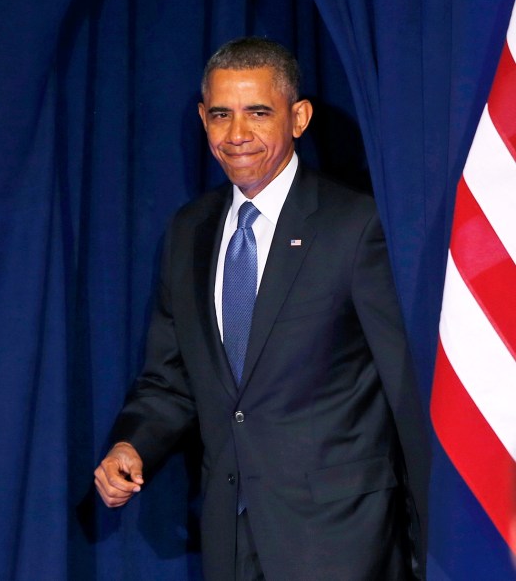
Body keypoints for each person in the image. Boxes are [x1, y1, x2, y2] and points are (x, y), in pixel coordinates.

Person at [93, 37, 429, 580]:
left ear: (298, 118)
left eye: (258, 113)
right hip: (230, 536)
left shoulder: (355, 227)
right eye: (221, 114)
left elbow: (407, 390)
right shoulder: (189, 232)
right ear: (203, 119)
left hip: (343, 539)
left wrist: (428, 544)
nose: (237, 135)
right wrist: (133, 444)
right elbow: (170, 379)